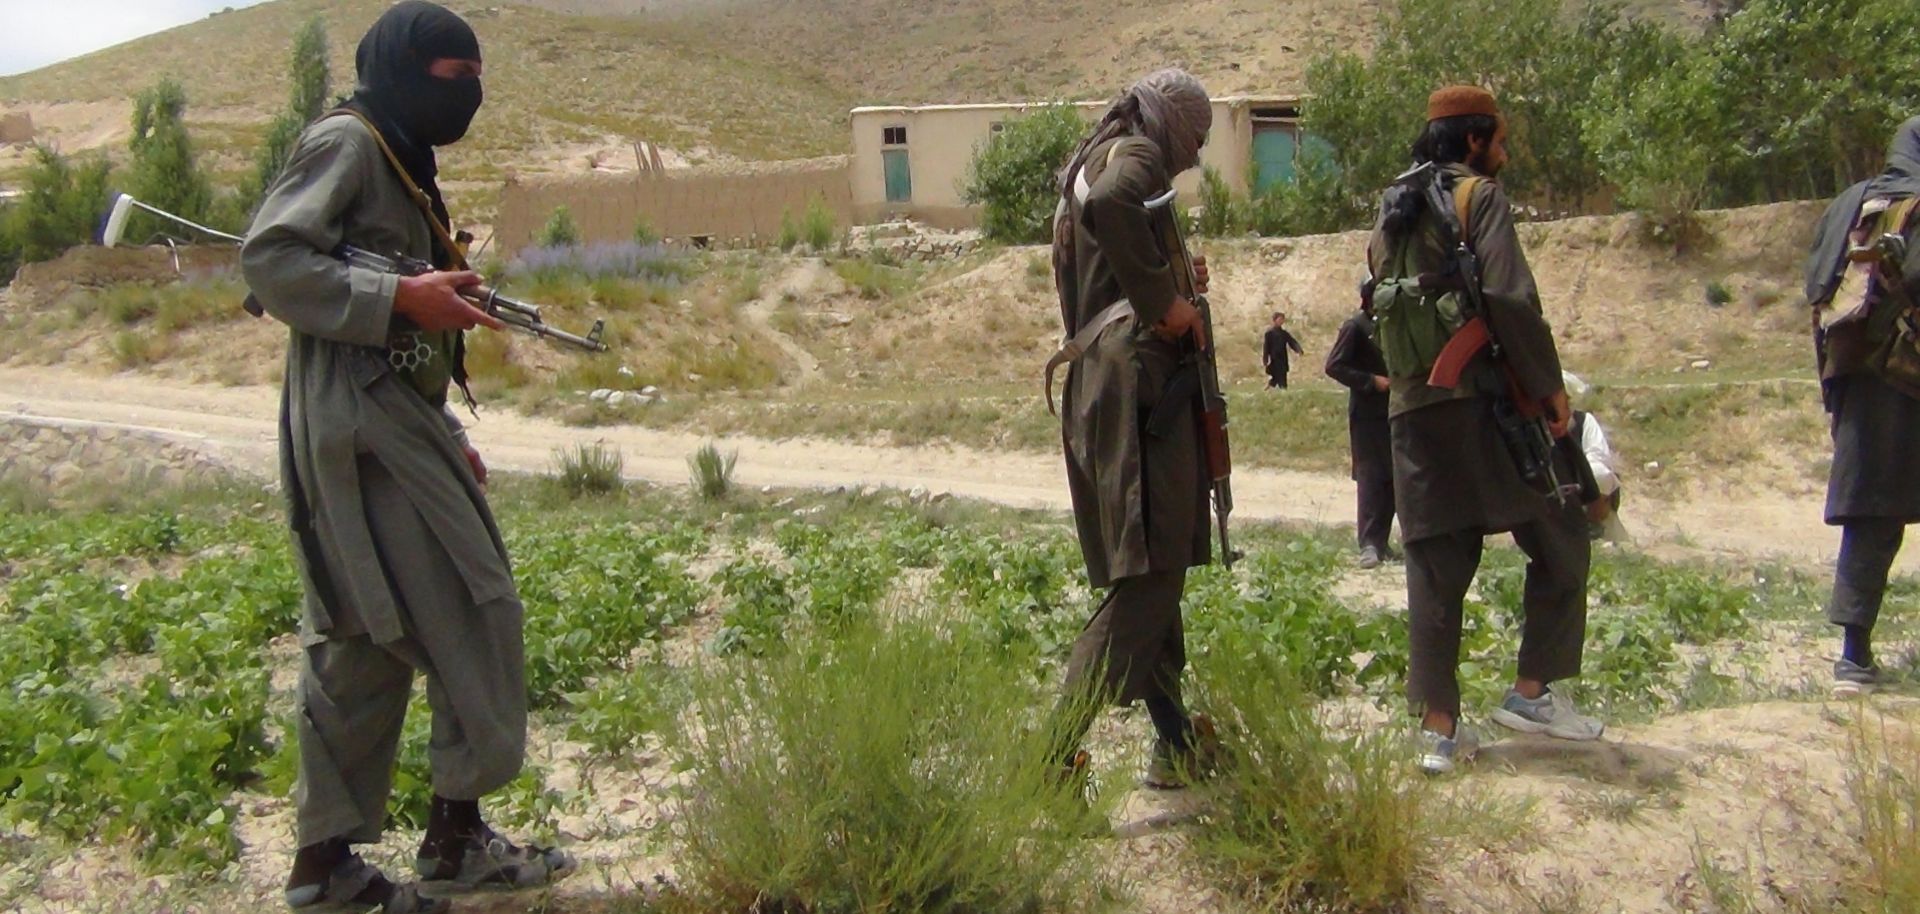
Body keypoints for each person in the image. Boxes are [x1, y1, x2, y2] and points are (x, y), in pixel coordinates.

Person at [241, 4, 575, 910]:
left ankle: (337, 867)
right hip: (358, 419)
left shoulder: (400, 157)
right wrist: (400, 295)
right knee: (469, 605)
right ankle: (442, 841)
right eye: (448, 74)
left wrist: (446, 430)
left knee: (365, 633)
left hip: (392, 417)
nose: (467, 91)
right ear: (399, 69)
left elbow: (394, 301)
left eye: (476, 75)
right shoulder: (349, 143)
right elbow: (271, 259)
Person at [1365, 86, 1601, 775]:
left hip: (1412, 411)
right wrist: (1550, 388)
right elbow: (1509, 298)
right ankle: (1532, 692)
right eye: (1499, 140)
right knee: (1560, 530)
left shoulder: (1390, 210)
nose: (1505, 152)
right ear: (1473, 141)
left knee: (1436, 565)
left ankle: (1438, 731)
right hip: (1485, 404)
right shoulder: (1478, 198)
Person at [1044, 67, 1221, 790]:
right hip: (1140, 385)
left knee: (1154, 565)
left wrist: (1171, 276)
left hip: (1101, 378)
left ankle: (1175, 745)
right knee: (1152, 577)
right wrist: (1166, 304)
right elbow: (1121, 207)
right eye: (1198, 138)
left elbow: (1098, 259)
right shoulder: (1135, 156)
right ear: (1173, 121)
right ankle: (1052, 760)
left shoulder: (1097, 154)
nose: (1195, 156)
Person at [1803, 115, 1920, 698]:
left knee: (1870, 515)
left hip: (1855, 374)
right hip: (1906, 375)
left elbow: (1816, 282)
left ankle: (1854, 655)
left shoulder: (1850, 202)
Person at [1324, 280, 1396, 567]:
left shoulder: (1388, 327)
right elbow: (1334, 366)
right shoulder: (1355, 327)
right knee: (1370, 477)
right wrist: (1370, 381)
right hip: (1367, 414)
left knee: (1392, 477)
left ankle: (1382, 541)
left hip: (1391, 410)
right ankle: (1368, 543)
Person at [1262, 311, 1305, 388]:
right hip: (1274, 360)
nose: (1281, 321)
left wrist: (1298, 350)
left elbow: (1292, 342)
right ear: (1275, 320)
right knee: (1278, 377)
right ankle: (1274, 389)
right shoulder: (1269, 334)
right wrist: (1265, 360)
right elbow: (1266, 348)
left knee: (1280, 377)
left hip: (1283, 359)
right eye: (1279, 319)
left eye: (1282, 319)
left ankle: (1269, 389)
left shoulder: (1284, 333)